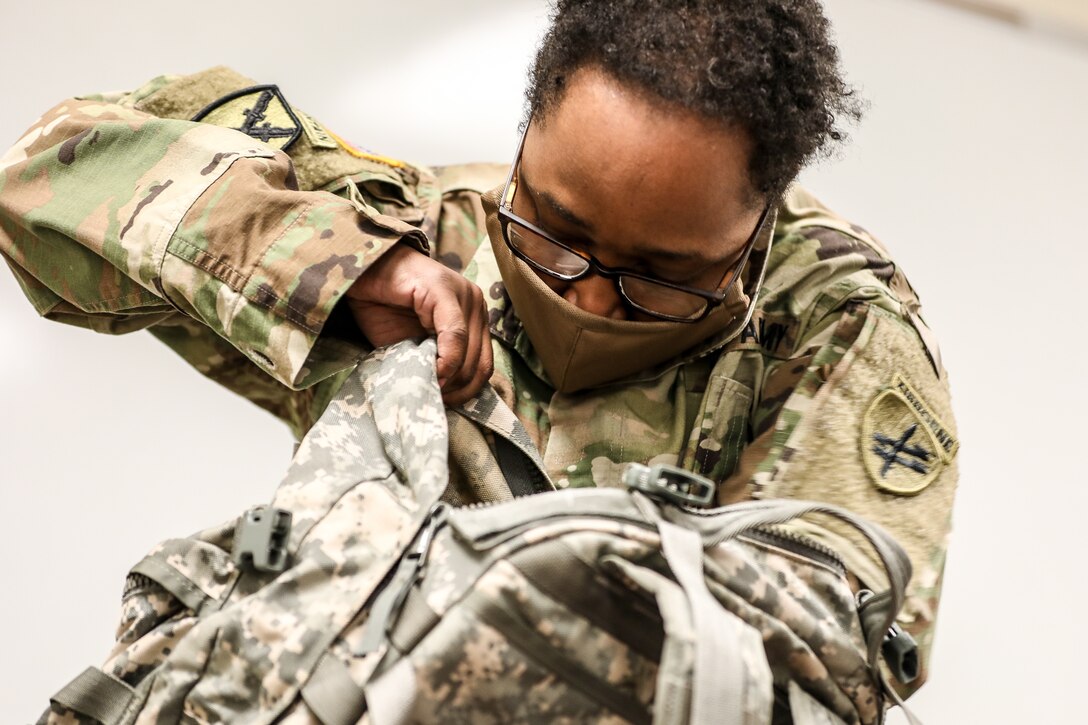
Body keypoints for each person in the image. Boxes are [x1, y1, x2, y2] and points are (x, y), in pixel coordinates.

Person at [0, 0, 957, 717]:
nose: (585, 297)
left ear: (755, 230)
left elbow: (816, 671)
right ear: (523, 142)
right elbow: (49, 168)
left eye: (661, 277)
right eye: (556, 232)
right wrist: (336, 261)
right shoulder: (433, 225)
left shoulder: (838, 334)